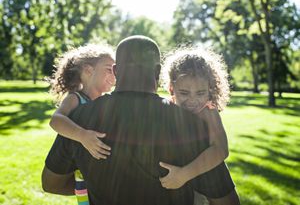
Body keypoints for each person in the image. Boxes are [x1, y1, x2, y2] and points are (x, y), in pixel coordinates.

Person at [42, 35, 240, 205]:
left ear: (117, 71)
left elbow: (51, 183)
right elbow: (227, 201)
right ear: (157, 72)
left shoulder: (78, 120)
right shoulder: (190, 124)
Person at [159, 48, 231, 204]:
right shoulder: (167, 107)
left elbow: (221, 149)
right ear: (172, 88)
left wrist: (183, 175)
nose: (192, 100)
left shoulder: (208, 111)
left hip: (208, 177)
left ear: (210, 89)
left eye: (200, 93)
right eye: (184, 93)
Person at [47, 44, 115, 204]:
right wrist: (82, 135)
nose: (114, 74)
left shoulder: (104, 102)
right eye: (109, 69)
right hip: (79, 169)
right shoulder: (76, 98)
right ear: (88, 70)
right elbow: (56, 120)